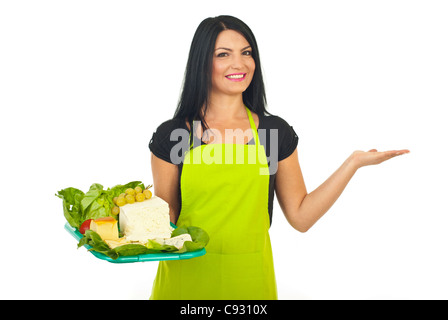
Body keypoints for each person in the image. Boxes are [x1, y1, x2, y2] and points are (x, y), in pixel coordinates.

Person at [148, 15, 409, 300]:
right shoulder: (174, 135)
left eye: (246, 53)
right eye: (223, 54)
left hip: (250, 282)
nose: (239, 64)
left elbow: (301, 217)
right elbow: (165, 221)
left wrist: (352, 164)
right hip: (185, 285)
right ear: (201, 63)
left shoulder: (273, 132)